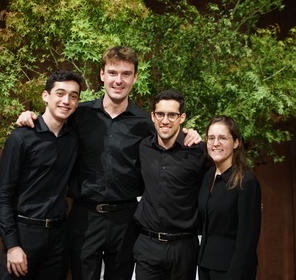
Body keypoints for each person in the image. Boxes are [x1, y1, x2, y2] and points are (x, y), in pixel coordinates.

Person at [16, 46, 201, 280]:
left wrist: (190, 134)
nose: (118, 80)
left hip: (125, 217)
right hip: (85, 216)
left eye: (126, 74)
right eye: (113, 73)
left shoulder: (145, 122)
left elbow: (169, 136)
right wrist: (30, 115)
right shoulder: (79, 115)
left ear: (135, 78)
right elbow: (52, 119)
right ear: (102, 74)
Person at [0, 69, 82, 280]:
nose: (66, 101)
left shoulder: (73, 138)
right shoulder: (21, 137)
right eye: (60, 93)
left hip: (58, 238)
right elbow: (2, 197)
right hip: (24, 235)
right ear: (45, 96)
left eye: (73, 96)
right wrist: (12, 245)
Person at [133, 90, 209, 280]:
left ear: (182, 118)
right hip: (147, 244)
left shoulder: (198, 150)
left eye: (172, 115)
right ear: (153, 116)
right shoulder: (143, 147)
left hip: (184, 246)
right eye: (160, 114)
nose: (165, 120)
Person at [198, 115, 261, 280]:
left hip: (232, 271)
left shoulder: (246, 181)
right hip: (205, 266)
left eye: (222, 138)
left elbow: (247, 241)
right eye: (211, 138)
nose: (215, 143)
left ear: (236, 142)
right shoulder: (207, 176)